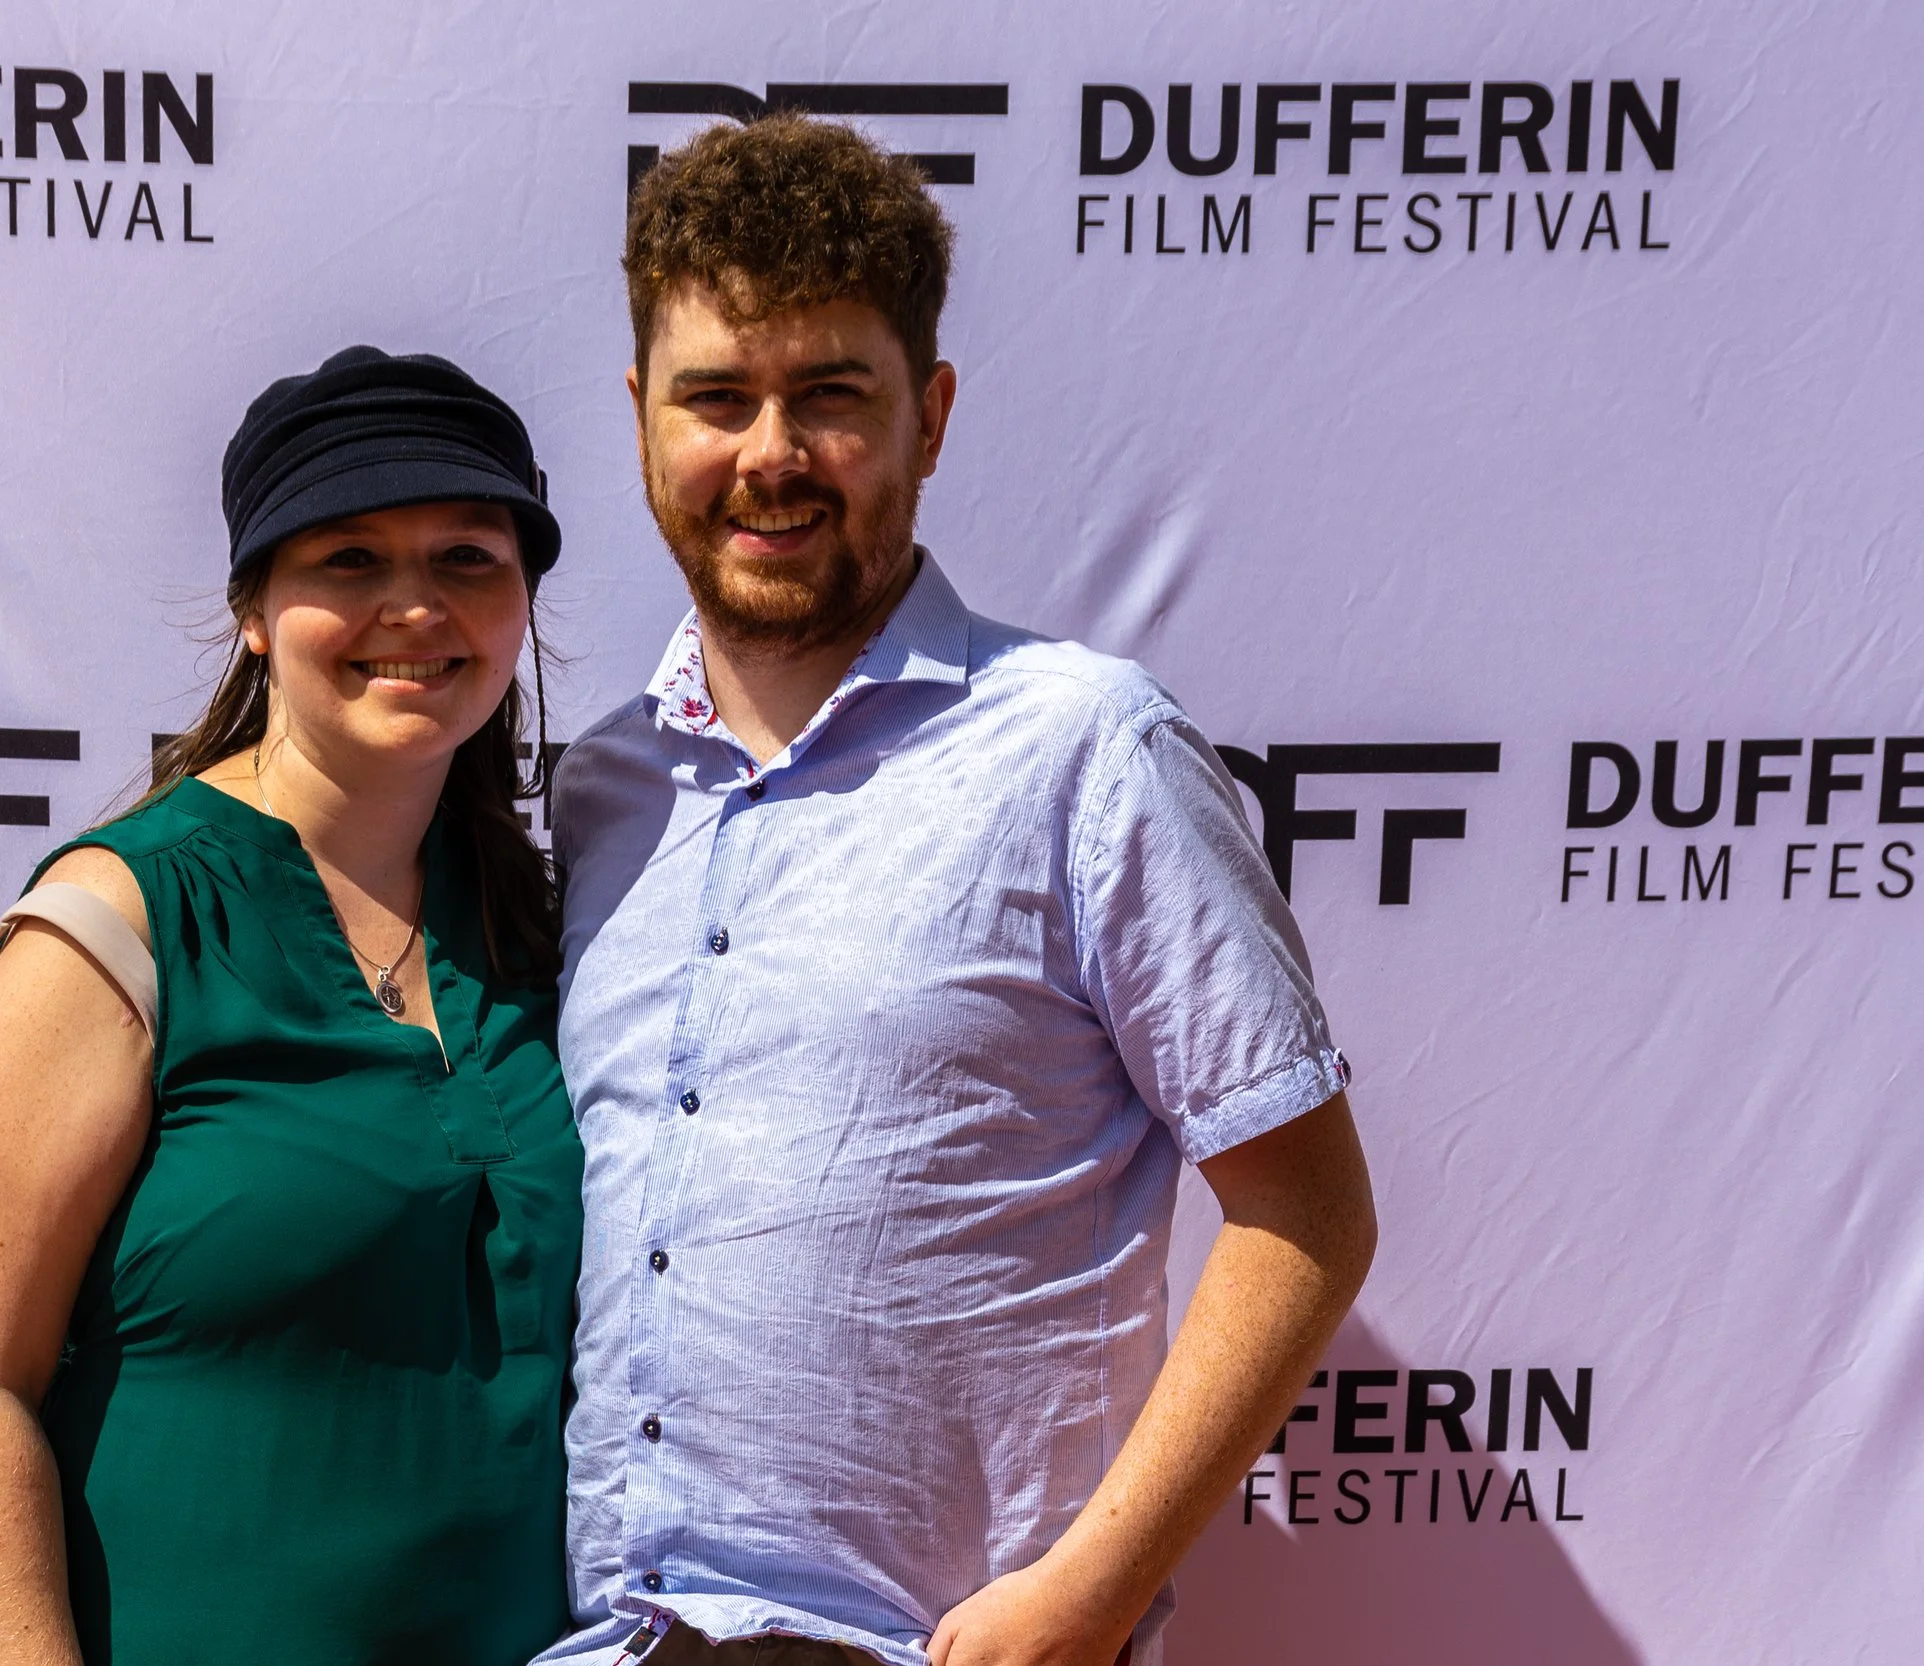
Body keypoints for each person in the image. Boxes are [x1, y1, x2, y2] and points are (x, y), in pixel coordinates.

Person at [536, 116, 1379, 1666]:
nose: (769, 454)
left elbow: (1307, 1212)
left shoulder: (1087, 748)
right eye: (717, 397)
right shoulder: (601, 789)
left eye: (831, 396)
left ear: (928, 415)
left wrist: (1089, 1594)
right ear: (643, 417)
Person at [0, 345, 584, 1666]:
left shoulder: (535, 925)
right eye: (348, 559)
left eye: (465, 557)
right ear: (256, 608)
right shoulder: (124, 921)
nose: (413, 605)